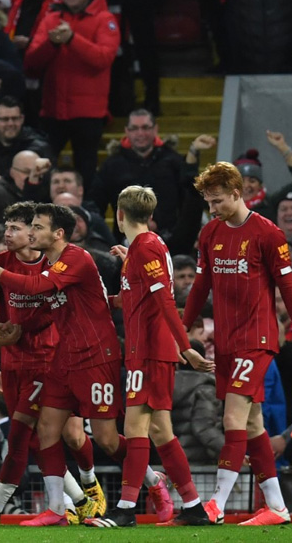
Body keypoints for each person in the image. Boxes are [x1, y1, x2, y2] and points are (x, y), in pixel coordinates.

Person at [0, 203, 171, 526]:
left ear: (57, 233)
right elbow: (41, 311)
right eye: (27, 227)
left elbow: (37, 288)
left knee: (105, 439)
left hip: (94, 357)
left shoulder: (74, 258)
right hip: (60, 359)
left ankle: (152, 482)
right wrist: (9, 335)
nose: (30, 232)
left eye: (36, 227)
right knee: (44, 430)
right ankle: (58, 509)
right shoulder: (50, 260)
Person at [182, 162, 292, 526]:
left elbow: (288, 288)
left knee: (233, 417)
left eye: (218, 200)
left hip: (257, 339)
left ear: (237, 193)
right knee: (253, 424)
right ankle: (277, 506)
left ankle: (216, 505)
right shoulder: (210, 233)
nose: (213, 208)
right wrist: (180, 332)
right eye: (208, 201)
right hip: (225, 340)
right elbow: (200, 287)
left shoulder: (268, 234)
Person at [85, 186, 213, 527]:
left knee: (136, 427)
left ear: (119, 214)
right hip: (147, 349)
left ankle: (126, 510)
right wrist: (109, 297)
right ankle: (194, 506)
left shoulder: (145, 248)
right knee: (160, 431)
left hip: (151, 350)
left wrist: (184, 345)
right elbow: (139, 297)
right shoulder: (142, 249)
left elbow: (164, 300)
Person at [0, 201, 101, 526]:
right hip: (14, 365)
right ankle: (79, 500)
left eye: (16, 228)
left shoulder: (55, 264)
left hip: (50, 361)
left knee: (31, 434)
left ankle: (1, 508)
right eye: (7, 227)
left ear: (34, 231)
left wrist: (20, 330)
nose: (8, 234)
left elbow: (47, 304)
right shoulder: (0, 263)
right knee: (37, 437)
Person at [24, 0, 120, 190]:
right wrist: (53, 44)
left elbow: (103, 58)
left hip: (88, 113)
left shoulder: (105, 20)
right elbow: (31, 64)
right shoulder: (51, 19)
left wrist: (72, 39)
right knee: (45, 167)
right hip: (52, 110)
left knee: (86, 170)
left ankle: (85, 215)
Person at [90, 109, 217, 242]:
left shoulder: (173, 160)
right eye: (134, 128)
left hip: (172, 242)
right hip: (125, 243)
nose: (140, 133)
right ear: (126, 131)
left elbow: (191, 196)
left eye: (145, 127)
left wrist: (193, 152)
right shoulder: (112, 165)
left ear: (155, 129)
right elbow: (96, 204)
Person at [0, 96, 51, 188]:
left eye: (15, 118)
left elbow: (49, 184)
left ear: (22, 119)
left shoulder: (40, 149)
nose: (10, 124)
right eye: (5, 119)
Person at [233, 131, 292, 224]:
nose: (246, 185)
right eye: (241, 181)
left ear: (260, 185)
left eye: (252, 180)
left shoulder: (273, 204)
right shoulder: (222, 207)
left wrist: (283, 148)